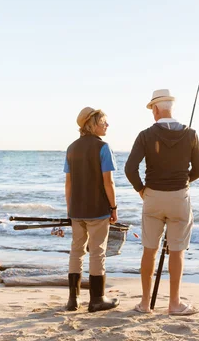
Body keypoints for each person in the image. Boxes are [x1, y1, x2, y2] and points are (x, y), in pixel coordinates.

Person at [125, 89, 199, 315]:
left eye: (152, 110)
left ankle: (144, 303)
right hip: (179, 197)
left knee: (149, 250)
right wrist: (182, 181)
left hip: (153, 197)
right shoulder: (191, 134)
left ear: (157, 109)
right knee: (177, 252)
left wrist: (141, 189)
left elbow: (130, 168)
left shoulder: (145, 135)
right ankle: (174, 304)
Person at [64, 107, 120, 312]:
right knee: (97, 252)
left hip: (76, 210)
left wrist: (70, 209)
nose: (107, 125)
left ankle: (73, 299)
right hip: (98, 210)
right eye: (103, 121)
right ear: (92, 124)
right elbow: (109, 183)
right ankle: (97, 299)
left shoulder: (71, 148)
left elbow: (68, 183)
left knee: (76, 251)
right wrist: (113, 207)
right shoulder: (103, 147)